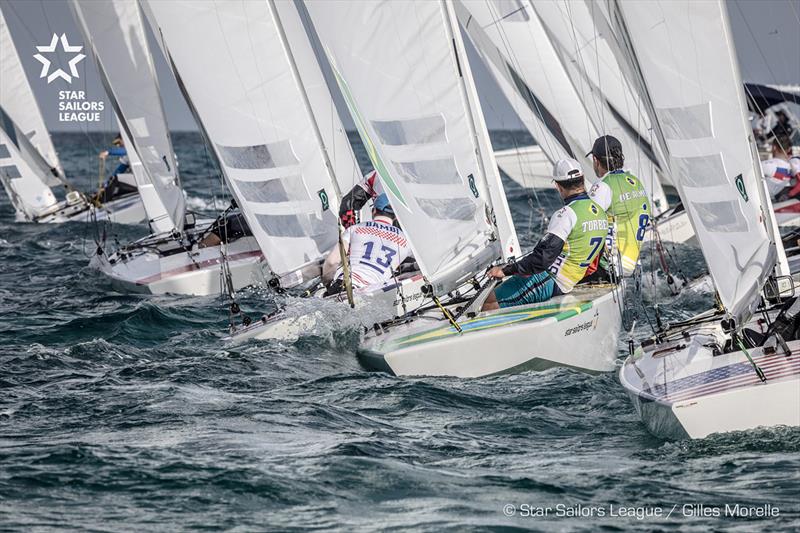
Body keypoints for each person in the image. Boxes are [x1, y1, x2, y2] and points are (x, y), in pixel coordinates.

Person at [482, 159, 608, 310]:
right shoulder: (600, 213)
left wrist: (504, 270)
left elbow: (542, 260)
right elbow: (594, 263)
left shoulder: (567, 214)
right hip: (569, 281)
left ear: (558, 186)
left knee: (488, 302)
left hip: (551, 280)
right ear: (582, 180)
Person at [586, 135, 651, 277]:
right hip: (634, 267)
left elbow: (585, 226)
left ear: (596, 160)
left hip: (611, 271)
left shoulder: (602, 187)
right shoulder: (635, 181)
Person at [323, 193, 411, 295]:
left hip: (343, 285)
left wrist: (327, 283)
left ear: (373, 210)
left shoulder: (355, 229)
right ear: (395, 216)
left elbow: (331, 262)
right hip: (372, 293)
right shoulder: (406, 241)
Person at [95, 134, 136, 203]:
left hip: (144, 181)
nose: (117, 146)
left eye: (118, 143)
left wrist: (107, 152)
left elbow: (126, 150)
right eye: (116, 144)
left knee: (115, 179)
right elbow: (119, 171)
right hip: (136, 182)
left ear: (125, 140)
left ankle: (101, 201)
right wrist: (105, 185)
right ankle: (99, 197)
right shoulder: (127, 157)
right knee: (117, 185)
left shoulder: (134, 149)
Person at [764, 130, 800, 201]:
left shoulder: (793, 162)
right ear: (789, 149)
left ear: (774, 147)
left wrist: (788, 195)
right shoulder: (792, 162)